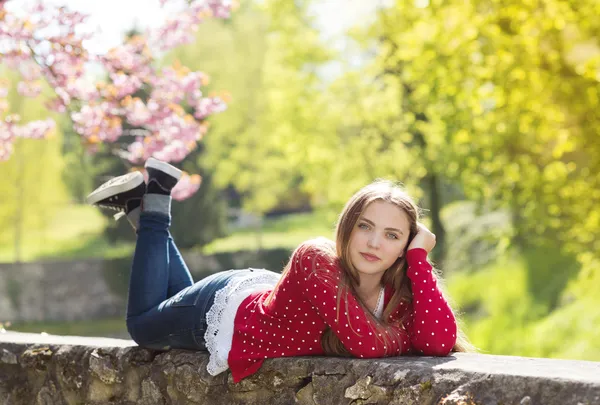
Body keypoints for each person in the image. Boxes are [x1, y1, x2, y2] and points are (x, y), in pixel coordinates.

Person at [87, 157, 470, 383]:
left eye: (392, 235)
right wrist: (401, 336)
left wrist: (419, 263)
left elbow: (437, 342)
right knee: (143, 327)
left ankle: (139, 208)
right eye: (365, 227)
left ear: (406, 245)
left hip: (253, 295)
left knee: (168, 302)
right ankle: (156, 201)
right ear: (347, 227)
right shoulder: (315, 258)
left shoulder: (400, 287)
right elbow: (366, 344)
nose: (373, 243)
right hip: (220, 311)